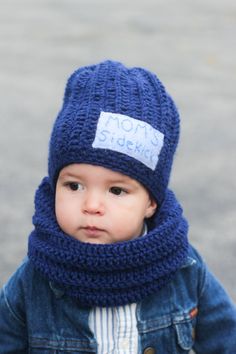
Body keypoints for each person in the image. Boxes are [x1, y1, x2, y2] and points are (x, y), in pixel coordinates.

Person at [0, 60, 235, 353]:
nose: (92, 205)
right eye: (74, 186)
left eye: (116, 190)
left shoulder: (184, 268)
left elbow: (226, 340)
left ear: (150, 202)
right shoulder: (35, 278)